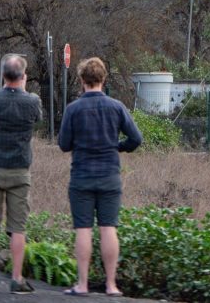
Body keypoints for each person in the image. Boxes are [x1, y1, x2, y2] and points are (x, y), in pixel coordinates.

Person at [58, 57, 143, 297]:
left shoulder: (73, 109)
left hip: (82, 176)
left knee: (83, 229)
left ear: (82, 80)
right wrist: (117, 146)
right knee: (108, 228)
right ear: (103, 79)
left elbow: (64, 144)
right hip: (109, 176)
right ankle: (111, 285)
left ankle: (82, 284)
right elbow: (136, 139)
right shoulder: (116, 107)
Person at [0, 53, 43, 295]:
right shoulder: (32, 101)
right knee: (18, 228)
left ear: (3, 75)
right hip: (20, 170)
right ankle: (16, 279)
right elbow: (38, 119)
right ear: (24, 76)